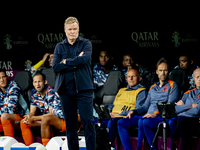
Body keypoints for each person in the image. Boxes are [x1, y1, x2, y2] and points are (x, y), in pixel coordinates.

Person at [52, 17, 95, 150]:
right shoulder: (59, 46)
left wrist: (66, 61)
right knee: (70, 125)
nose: (72, 32)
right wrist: (75, 62)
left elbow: (84, 60)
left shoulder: (86, 43)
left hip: (84, 90)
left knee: (88, 122)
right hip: (66, 90)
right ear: (65, 30)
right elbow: (55, 67)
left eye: (75, 29)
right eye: (70, 29)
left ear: (78, 30)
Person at [117, 58, 179, 150]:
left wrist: (155, 113)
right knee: (121, 122)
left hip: (160, 116)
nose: (163, 73)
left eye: (165, 70)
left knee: (144, 121)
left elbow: (169, 106)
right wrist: (133, 111)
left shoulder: (173, 85)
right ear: (157, 71)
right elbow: (145, 106)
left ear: (168, 71)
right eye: (161, 70)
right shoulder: (153, 87)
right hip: (147, 115)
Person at [20, 72, 64, 146]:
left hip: (55, 119)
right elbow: (32, 112)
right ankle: (29, 147)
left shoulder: (51, 92)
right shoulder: (34, 92)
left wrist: (33, 118)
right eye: (35, 82)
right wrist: (29, 116)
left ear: (45, 82)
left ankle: (47, 147)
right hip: (44, 119)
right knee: (24, 122)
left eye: (39, 81)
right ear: (33, 83)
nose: (38, 84)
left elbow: (51, 114)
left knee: (47, 119)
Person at [107, 69, 147, 142]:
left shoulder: (141, 91)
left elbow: (137, 109)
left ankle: (111, 145)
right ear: (126, 78)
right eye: (129, 76)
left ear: (139, 78)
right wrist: (108, 112)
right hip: (112, 115)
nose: (131, 78)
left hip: (124, 116)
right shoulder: (121, 90)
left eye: (133, 76)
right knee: (96, 122)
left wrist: (119, 114)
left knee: (111, 122)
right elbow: (112, 104)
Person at [175, 68, 200, 150]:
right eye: (197, 77)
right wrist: (190, 105)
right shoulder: (188, 92)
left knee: (183, 122)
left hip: (194, 119)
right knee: (171, 121)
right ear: (194, 79)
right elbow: (176, 109)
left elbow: (197, 111)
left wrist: (184, 108)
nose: (199, 79)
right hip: (183, 118)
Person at [0, 69, 24, 137]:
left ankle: (8, 144)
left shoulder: (13, 87)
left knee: (4, 116)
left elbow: (11, 110)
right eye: (0, 78)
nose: (2, 80)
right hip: (5, 118)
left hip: (20, 118)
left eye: (3, 77)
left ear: (7, 77)